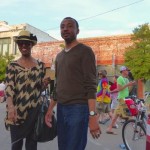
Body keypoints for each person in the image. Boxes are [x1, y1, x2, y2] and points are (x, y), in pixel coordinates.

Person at [45, 17, 101, 150]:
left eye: (70, 26)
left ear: (78, 30)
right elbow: (58, 86)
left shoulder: (85, 51)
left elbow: (91, 85)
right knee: (63, 147)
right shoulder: (59, 57)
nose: (65, 28)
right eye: (62, 26)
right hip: (61, 109)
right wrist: (49, 109)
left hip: (78, 109)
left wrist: (92, 116)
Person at [4, 30, 50, 150]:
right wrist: (10, 107)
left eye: (26, 43)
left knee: (31, 145)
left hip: (34, 112)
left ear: (31, 45)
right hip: (16, 112)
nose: (23, 45)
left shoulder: (40, 65)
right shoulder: (12, 65)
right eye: (20, 43)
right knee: (16, 145)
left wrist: (44, 84)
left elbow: (39, 89)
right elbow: (9, 87)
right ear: (18, 45)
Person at [106, 66, 136, 134]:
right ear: (123, 71)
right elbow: (119, 89)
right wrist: (127, 85)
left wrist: (132, 84)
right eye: (127, 70)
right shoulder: (120, 78)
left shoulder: (126, 79)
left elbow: (127, 89)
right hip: (122, 99)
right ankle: (135, 128)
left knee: (116, 115)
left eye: (128, 70)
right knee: (129, 114)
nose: (128, 71)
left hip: (125, 98)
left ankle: (109, 128)